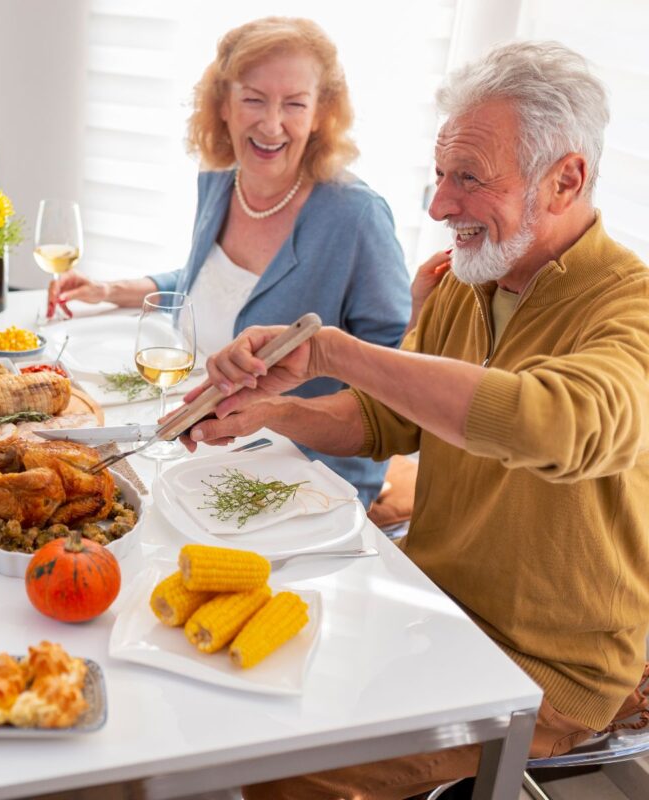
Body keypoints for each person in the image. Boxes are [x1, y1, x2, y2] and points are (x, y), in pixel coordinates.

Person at [179, 41, 649, 799]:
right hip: (425, 598)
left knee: (278, 771)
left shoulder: (631, 309)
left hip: (547, 662)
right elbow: (384, 419)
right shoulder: (475, 279)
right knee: (218, 694)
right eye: (440, 175)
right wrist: (264, 414)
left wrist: (337, 349)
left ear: (565, 180)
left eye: (468, 178)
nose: (437, 206)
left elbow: (551, 425)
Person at [47, 17, 421, 505]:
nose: (271, 124)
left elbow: (389, 373)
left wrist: (280, 410)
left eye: (294, 104)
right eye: (253, 99)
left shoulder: (356, 216)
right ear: (222, 104)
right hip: (203, 440)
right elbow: (214, 280)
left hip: (299, 472)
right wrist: (109, 290)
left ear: (320, 113)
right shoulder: (222, 180)